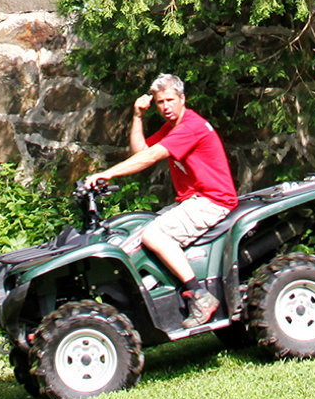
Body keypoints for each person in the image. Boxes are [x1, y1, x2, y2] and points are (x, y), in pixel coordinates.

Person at [82, 73, 238, 329]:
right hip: (192, 200)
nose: (165, 107)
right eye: (160, 102)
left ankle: (199, 295)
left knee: (155, 235)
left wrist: (107, 173)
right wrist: (137, 116)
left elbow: (150, 158)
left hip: (212, 200)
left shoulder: (191, 126)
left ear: (182, 99)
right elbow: (140, 151)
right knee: (137, 229)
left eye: (169, 100)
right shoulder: (171, 127)